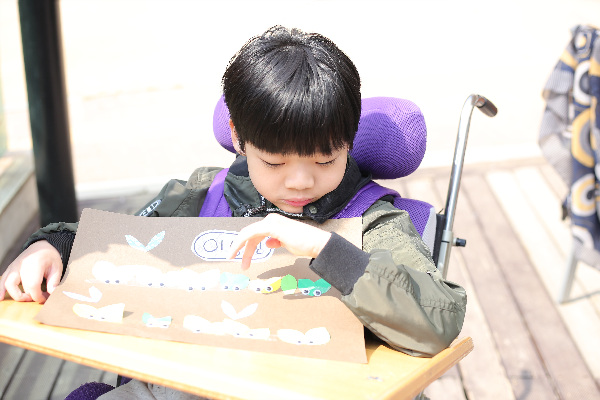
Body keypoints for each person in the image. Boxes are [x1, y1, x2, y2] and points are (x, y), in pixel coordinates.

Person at [0, 26, 466, 399]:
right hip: (189, 380)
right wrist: (55, 244)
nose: (299, 182)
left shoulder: (373, 220)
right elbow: (122, 242)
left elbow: (437, 320)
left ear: (349, 139)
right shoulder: (205, 193)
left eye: (325, 160)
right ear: (239, 136)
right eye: (274, 162)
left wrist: (326, 248)